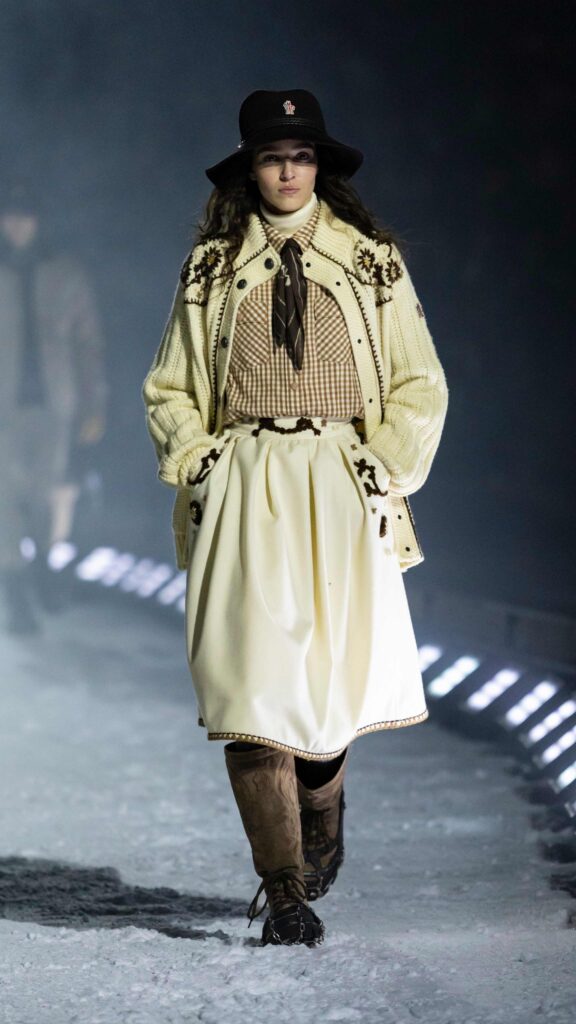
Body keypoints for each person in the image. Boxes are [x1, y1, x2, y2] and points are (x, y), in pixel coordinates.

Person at [142, 89, 448, 948]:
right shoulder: (210, 268)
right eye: (273, 157)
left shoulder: (372, 261)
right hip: (245, 477)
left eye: (301, 156)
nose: (287, 171)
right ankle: (283, 892)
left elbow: (420, 380)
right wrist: (201, 459)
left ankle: (322, 808)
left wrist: (383, 464)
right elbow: (169, 384)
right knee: (250, 686)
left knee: (328, 692)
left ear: (320, 166)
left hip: (340, 479)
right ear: (250, 168)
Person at [0, 183, 107, 633]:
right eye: (10, 215)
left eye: (24, 215)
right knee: (6, 498)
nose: (17, 225)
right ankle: (17, 593)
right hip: (6, 410)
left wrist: (94, 405)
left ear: (38, 221)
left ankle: (42, 572)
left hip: (55, 406)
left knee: (46, 498)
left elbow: (88, 344)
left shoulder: (66, 274)